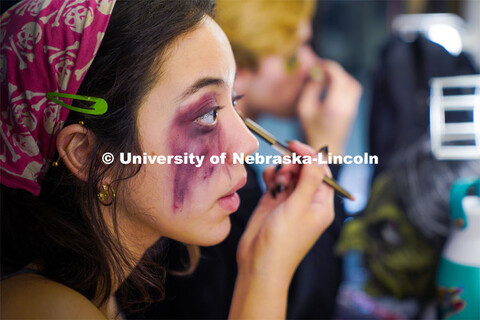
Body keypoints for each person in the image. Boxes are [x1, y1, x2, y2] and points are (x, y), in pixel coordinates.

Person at [0, 0, 335, 319]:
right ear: (85, 154)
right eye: (207, 113)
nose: (247, 144)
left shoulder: (97, 296)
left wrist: (262, 259)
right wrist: (269, 271)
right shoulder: (46, 310)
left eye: (233, 102)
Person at [126, 1, 362, 319]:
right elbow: (307, 308)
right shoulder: (211, 185)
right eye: (296, 51)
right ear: (243, 68)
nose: (312, 63)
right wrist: (326, 151)